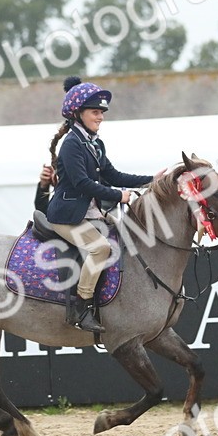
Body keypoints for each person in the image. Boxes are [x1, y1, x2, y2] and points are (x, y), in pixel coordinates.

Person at [46, 75, 153, 333]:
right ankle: (81, 307)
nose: (100, 117)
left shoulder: (94, 143)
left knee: (125, 238)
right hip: (66, 216)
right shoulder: (71, 145)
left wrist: (152, 180)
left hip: (89, 213)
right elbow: (82, 183)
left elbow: (113, 175)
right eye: (95, 112)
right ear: (78, 114)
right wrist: (119, 196)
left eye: (101, 112)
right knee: (101, 249)